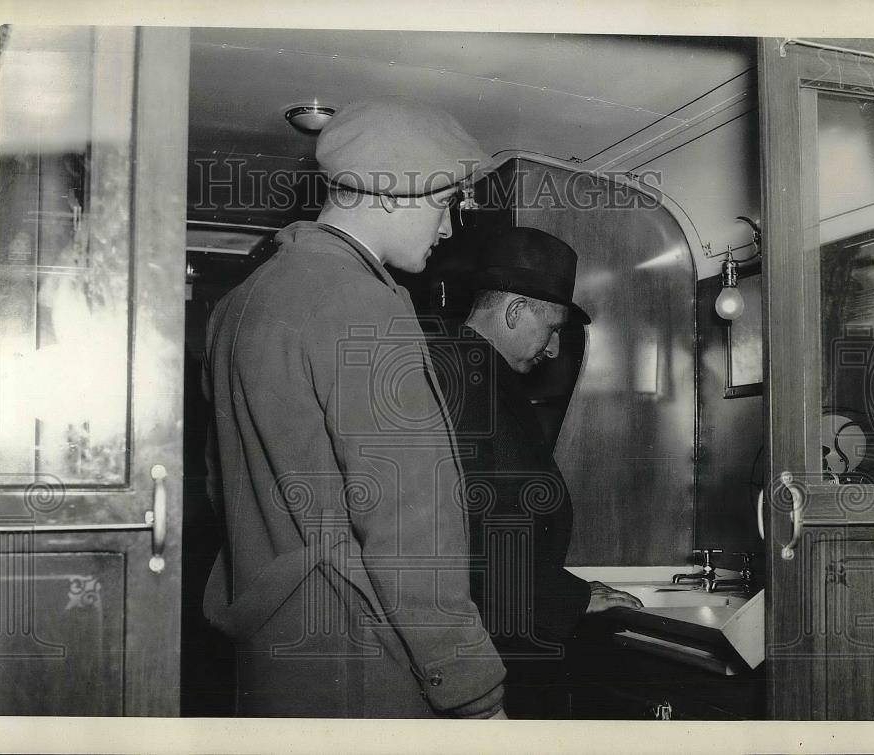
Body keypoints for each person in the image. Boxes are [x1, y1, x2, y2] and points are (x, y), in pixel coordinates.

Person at [201, 96, 508, 718]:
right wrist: (472, 687)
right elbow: (409, 519)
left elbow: (221, 488)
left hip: (275, 656)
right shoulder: (361, 305)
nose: (447, 229)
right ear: (394, 194)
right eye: (444, 203)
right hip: (364, 659)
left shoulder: (238, 305)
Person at [427, 226, 643, 718]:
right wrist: (569, 597)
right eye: (551, 330)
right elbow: (472, 529)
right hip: (487, 647)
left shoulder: (471, 370)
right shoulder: (468, 380)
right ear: (515, 311)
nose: (550, 350)